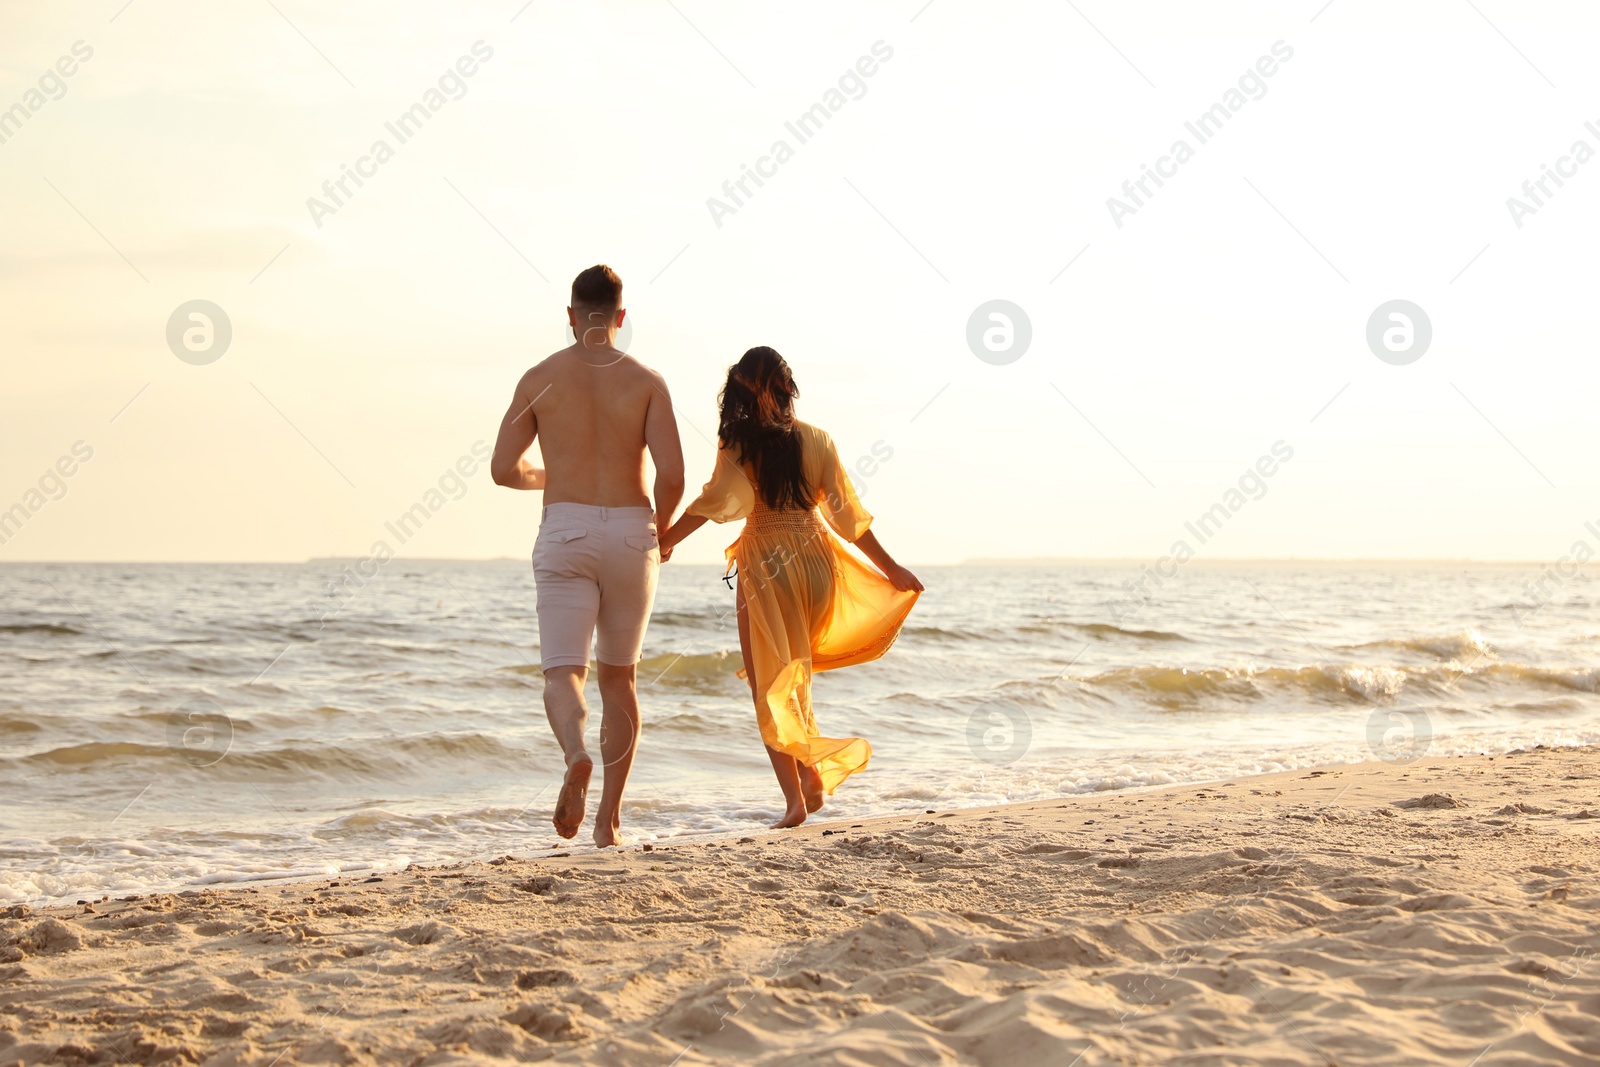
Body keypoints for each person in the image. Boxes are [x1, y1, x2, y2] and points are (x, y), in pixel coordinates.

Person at [660, 347, 923, 829]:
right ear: (787, 386)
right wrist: (892, 569)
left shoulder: (738, 442)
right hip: (819, 563)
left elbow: (712, 503)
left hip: (767, 564)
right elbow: (848, 519)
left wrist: (665, 541)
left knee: (768, 681)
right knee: (793, 674)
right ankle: (810, 774)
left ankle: (795, 801)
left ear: (745, 387)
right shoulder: (819, 439)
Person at [491, 264, 685, 847]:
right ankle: (608, 822)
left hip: (566, 529)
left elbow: (503, 470)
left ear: (572, 315)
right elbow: (673, 475)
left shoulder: (539, 379)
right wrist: (665, 530)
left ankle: (575, 754)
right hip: (633, 530)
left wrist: (553, 477)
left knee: (563, 671)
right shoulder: (648, 381)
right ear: (621, 319)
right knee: (619, 679)